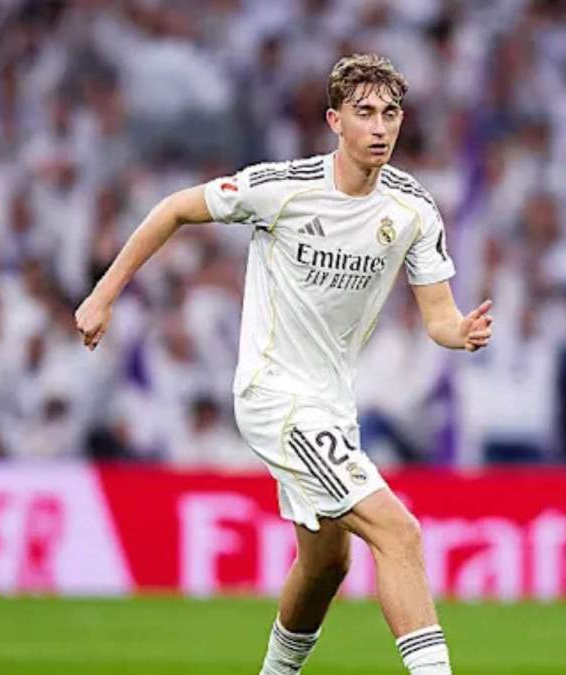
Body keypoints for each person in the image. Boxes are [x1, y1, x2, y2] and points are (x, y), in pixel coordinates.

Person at [74, 54, 492, 675]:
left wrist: (459, 332)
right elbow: (174, 209)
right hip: (275, 395)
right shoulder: (284, 187)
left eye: (391, 113)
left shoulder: (413, 210)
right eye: (365, 113)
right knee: (398, 533)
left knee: (327, 562)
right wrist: (103, 295)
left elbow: (437, 316)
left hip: (330, 404)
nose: (380, 127)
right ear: (334, 120)